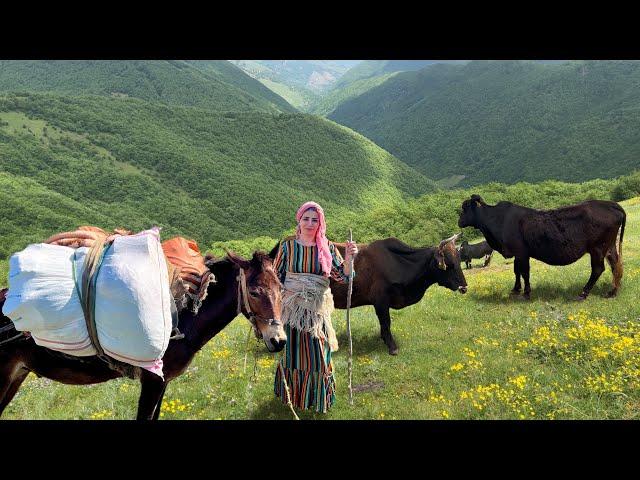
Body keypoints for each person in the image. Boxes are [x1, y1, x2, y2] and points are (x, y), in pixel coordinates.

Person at [273, 201, 358, 413]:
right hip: (292, 311)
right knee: (293, 354)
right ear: (299, 221)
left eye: (315, 219)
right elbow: (276, 278)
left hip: (316, 311)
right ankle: (293, 399)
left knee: (319, 354)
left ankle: (318, 399)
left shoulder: (326, 247)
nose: (310, 224)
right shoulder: (287, 247)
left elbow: (343, 276)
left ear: (321, 223)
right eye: (306, 219)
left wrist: (348, 258)